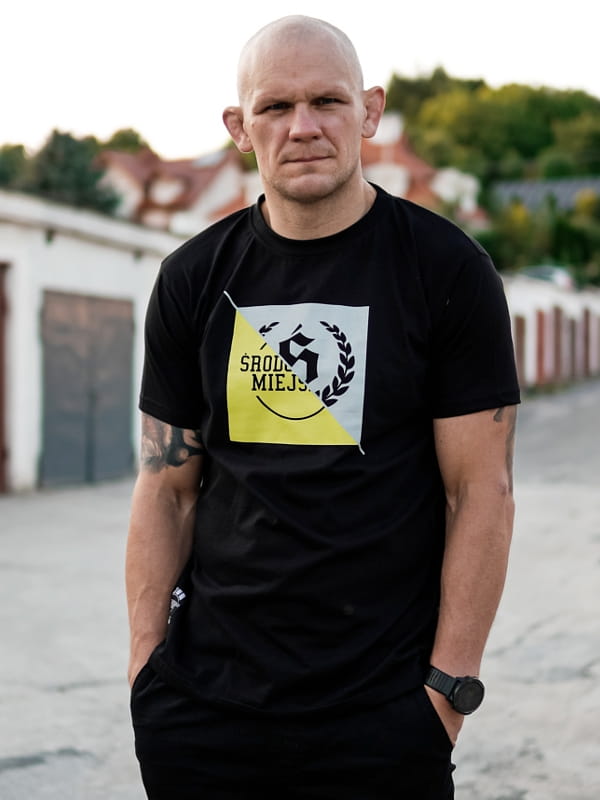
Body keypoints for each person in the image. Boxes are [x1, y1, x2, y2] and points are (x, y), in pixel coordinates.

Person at [126, 15, 519, 800]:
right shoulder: (192, 278)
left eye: (327, 101)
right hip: (202, 713)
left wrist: (447, 692)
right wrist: (146, 671)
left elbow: (480, 492)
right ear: (239, 128)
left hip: (382, 716)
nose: (302, 127)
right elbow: (166, 488)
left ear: (370, 111)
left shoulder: (447, 270)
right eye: (275, 107)